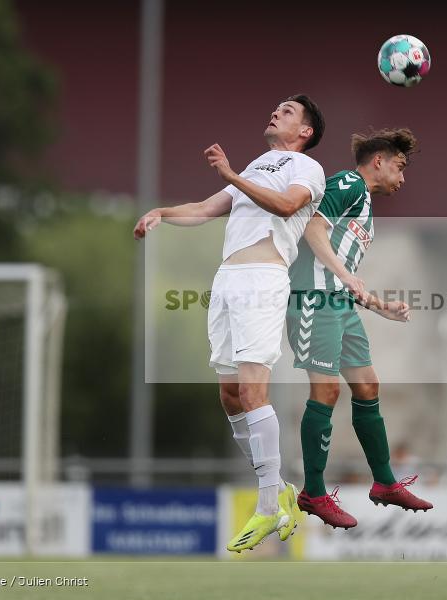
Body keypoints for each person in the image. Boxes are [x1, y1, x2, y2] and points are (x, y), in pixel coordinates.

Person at [133, 95, 326, 552]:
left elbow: (285, 206)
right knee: (230, 394)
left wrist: (233, 175)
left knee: (254, 391)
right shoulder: (258, 165)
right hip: (227, 281)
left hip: (263, 279)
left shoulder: (307, 170)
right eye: (277, 107)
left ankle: (265, 508)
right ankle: (277, 488)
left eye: (288, 111)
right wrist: (162, 212)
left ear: (305, 133)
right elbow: (203, 209)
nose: (276, 111)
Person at [284, 128, 433, 529]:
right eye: (399, 167)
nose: (402, 179)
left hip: (340, 303)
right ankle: (312, 491)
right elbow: (313, 228)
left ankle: (384, 482)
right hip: (314, 296)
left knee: (368, 386)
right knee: (327, 390)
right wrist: (343, 278)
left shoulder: (364, 205)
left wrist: (380, 307)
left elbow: (344, 271)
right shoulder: (348, 183)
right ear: (378, 162)